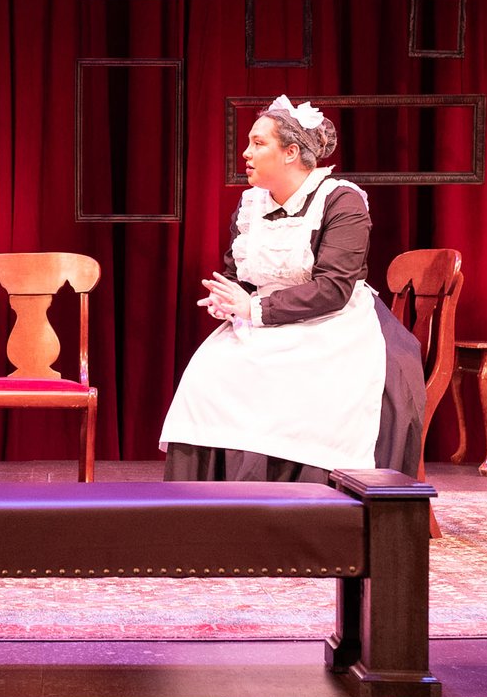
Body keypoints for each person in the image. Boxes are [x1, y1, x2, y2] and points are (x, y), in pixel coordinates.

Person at [159, 96, 426, 483]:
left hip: (335, 323)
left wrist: (253, 308)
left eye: (258, 143)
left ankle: (290, 500)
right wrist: (228, 299)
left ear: (290, 153)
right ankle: (213, 500)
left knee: (286, 380)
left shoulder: (342, 201)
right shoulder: (251, 204)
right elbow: (240, 274)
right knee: (209, 372)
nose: (246, 153)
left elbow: (333, 288)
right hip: (267, 322)